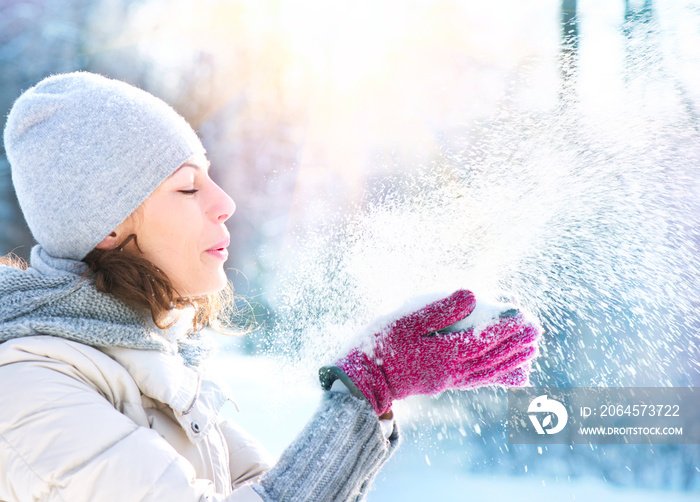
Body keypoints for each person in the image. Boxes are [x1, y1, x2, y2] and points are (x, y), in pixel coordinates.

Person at [0, 72, 542, 501]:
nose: (224, 202)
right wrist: (364, 389)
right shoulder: (27, 388)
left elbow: (278, 490)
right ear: (110, 226)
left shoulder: (148, 367)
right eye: (188, 188)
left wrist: (375, 394)